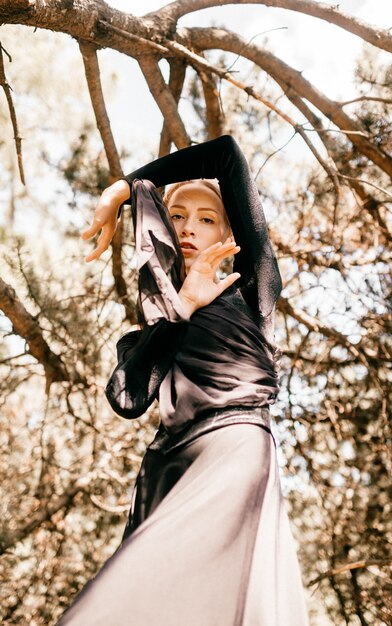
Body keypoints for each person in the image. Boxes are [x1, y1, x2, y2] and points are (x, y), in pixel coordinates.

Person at [57, 135, 310, 625]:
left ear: (227, 237)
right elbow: (127, 396)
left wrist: (123, 189)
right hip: (166, 470)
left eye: (206, 217)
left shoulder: (255, 297)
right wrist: (183, 306)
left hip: (235, 449)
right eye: (176, 216)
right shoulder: (145, 335)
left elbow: (227, 154)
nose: (189, 227)